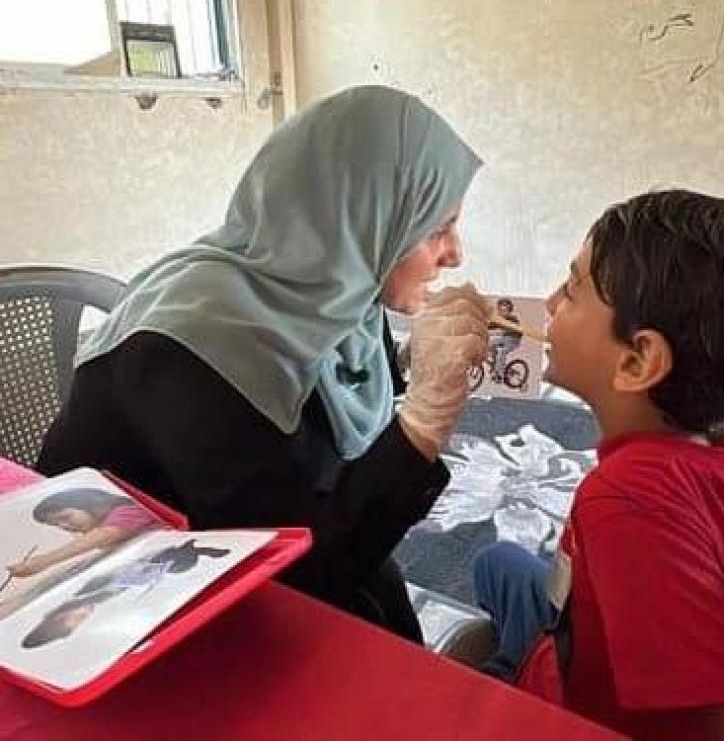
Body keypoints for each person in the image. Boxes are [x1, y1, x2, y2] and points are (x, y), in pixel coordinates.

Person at [36, 85, 490, 642]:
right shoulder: (196, 352)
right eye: (437, 228)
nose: (456, 253)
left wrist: (412, 362)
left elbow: (342, 415)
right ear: (363, 216)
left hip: (259, 538)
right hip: (123, 598)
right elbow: (307, 571)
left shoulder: (332, 287)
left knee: (389, 612)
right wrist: (425, 419)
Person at [473, 190, 724, 739]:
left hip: (568, 711)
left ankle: (505, 671)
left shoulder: (628, 503)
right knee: (497, 563)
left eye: (573, 291)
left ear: (637, 359)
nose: (550, 302)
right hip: (573, 641)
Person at [21, 539, 230, 648]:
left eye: (68, 617)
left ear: (56, 614)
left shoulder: (84, 589)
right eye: (77, 623)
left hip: (148, 557)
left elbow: (121, 568)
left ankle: (194, 550)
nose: (82, 615)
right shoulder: (103, 611)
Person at [6, 488, 159, 579]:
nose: (64, 526)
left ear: (89, 504)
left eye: (65, 517)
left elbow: (105, 534)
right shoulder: (102, 526)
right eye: (56, 525)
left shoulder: (128, 510)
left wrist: (43, 561)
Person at [488, 297, 522, 381]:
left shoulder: (513, 319)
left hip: (513, 340)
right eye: (500, 310)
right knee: (488, 343)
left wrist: (507, 328)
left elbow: (518, 331)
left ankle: (499, 375)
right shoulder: (499, 319)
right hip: (503, 338)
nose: (502, 312)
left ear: (509, 310)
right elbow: (489, 326)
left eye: (505, 310)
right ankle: (496, 363)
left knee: (501, 351)